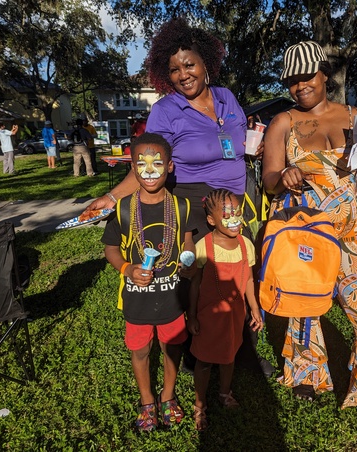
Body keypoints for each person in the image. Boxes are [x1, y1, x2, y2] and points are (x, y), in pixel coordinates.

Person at [84, 17, 272, 377]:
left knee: (239, 274)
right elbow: (146, 162)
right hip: (193, 202)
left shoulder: (227, 97)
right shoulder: (166, 111)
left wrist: (256, 149)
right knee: (199, 278)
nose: (183, 74)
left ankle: (240, 347)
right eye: (173, 70)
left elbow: (236, 142)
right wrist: (111, 198)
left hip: (234, 201)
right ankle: (196, 349)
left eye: (189, 64)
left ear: (205, 64)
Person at [262, 41, 357, 417]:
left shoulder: (354, 116)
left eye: (306, 76)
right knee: (304, 304)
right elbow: (270, 179)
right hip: (304, 230)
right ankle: (307, 375)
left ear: (323, 74)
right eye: (291, 80)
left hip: (348, 227)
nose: (300, 85)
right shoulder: (283, 122)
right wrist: (284, 174)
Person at [101, 132, 197, 432]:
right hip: (137, 297)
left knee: (172, 346)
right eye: (141, 164)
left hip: (172, 296)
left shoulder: (181, 206)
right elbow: (111, 248)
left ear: (169, 166)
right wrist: (128, 270)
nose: (150, 170)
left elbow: (188, 242)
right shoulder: (123, 208)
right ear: (132, 166)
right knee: (140, 350)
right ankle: (146, 400)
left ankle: (167, 396)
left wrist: (188, 260)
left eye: (157, 163)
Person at [187, 188, 263, 431]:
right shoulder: (203, 247)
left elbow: (249, 280)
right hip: (209, 317)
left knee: (229, 356)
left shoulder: (245, 245)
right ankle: (200, 404)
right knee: (205, 361)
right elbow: (195, 284)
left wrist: (254, 307)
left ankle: (224, 392)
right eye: (227, 216)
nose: (234, 221)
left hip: (235, 316)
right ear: (211, 220)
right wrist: (191, 315)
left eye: (237, 214)